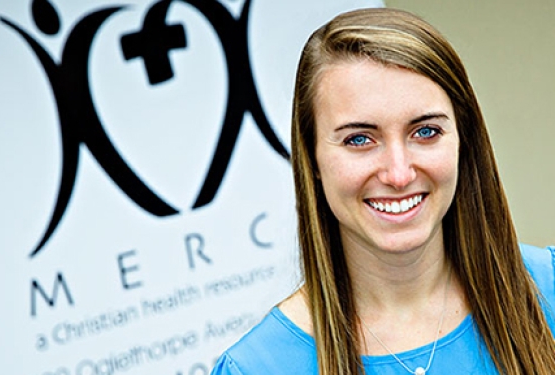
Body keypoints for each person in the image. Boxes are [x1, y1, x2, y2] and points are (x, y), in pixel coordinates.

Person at [210, 7, 555, 375]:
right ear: (311, 159)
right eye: (359, 139)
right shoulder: (258, 367)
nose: (399, 173)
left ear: (463, 140)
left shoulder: (548, 289)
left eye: (425, 132)